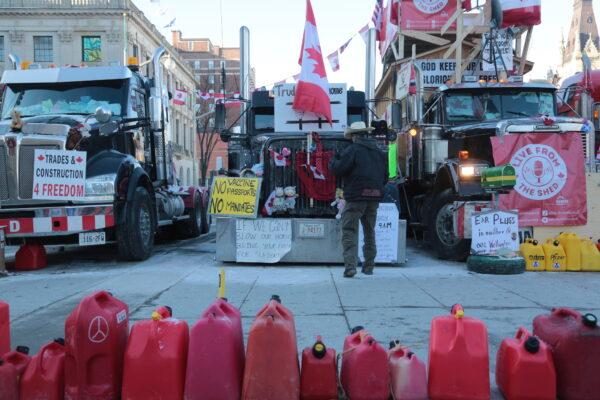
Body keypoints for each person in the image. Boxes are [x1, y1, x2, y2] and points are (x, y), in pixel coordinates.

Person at [330, 121, 387, 278]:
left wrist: (335, 157)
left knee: (349, 230)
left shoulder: (353, 150)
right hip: (375, 196)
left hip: (356, 197)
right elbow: (386, 177)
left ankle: (350, 267)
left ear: (354, 136)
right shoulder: (380, 152)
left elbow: (338, 169)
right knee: (370, 231)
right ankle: (369, 266)